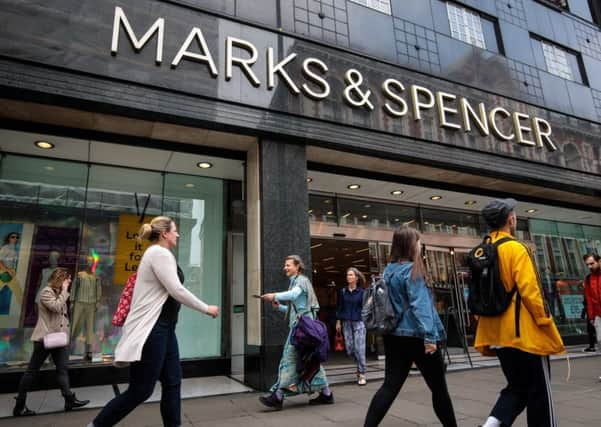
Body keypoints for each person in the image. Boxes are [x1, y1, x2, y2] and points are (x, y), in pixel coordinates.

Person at [88, 216, 219, 427]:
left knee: (172, 382)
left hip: (166, 329)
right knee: (141, 390)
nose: (178, 234)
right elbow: (176, 290)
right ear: (165, 233)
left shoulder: (160, 254)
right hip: (153, 329)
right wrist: (206, 308)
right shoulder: (158, 253)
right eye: (175, 230)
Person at [475, 198, 565, 427]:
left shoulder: (480, 251)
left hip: (496, 335)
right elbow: (531, 292)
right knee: (540, 394)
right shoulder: (516, 248)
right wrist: (546, 322)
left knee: (517, 387)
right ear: (510, 219)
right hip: (523, 333)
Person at [364, 227, 457, 427]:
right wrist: (431, 338)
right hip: (418, 337)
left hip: (393, 337)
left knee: (389, 386)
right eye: (418, 242)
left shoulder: (388, 271)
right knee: (439, 389)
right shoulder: (413, 270)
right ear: (410, 246)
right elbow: (421, 305)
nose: (420, 245)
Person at [258, 255, 334, 410]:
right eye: (285, 265)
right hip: (302, 330)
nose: (285, 268)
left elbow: (293, 297)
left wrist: (273, 295)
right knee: (310, 361)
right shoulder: (296, 282)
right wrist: (279, 307)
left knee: (290, 360)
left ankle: (278, 396)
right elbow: (299, 311)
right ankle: (326, 393)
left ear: (297, 266)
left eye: (288, 265)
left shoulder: (301, 281)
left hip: (302, 331)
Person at [13, 267, 90, 416]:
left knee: (62, 369)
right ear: (59, 280)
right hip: (45, 338)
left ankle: (69, 399)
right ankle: (19, 405)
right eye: (66, 280)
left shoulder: (57, 292)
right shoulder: (46, 292)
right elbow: (55, 307)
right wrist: (65, 291)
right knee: (31, 372)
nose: (68, 282)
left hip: (59, 338)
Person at [336, 267, 367, 385]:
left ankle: (362, 373)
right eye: (347, 275)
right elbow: (339, 307)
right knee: (350, 349)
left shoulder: (362, 292)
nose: (348, 277)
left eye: (350, 275)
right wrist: (338, 321)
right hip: (346, 322)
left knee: (359, 348)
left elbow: (365, 308)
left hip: (359, 322)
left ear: (356, 278)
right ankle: (359, 366)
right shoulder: (343, 291)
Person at [70, 255, 102, 362]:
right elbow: (74, 287)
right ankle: (65, 348)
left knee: (89, 327)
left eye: (91, 262)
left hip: (91, 304)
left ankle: (89, 351)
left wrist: (97, 301)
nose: (90, 263)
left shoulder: (96, 276)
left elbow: (98, 289)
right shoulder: (80, 275)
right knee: (74, 324)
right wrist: (72, 301)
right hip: (79, 302)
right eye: (88, 261)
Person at [583, 254, 601, 362]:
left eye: (592, 263)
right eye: (587, 265)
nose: (589, 266)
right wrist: (591, 317)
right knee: (599, 340)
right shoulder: (588, 279)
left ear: (599, 261)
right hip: (598, 315)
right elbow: (589, 300)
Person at [0, 232, 23, 314]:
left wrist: (12, 271)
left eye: (17, 237)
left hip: (10, 273)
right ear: (9, 238)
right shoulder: (5, 248)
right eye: (13, 237)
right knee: (18, 292)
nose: (15, 239)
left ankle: (20, 313)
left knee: (18, 292)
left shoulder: (13, 249)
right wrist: (8, 270)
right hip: (3, 272)